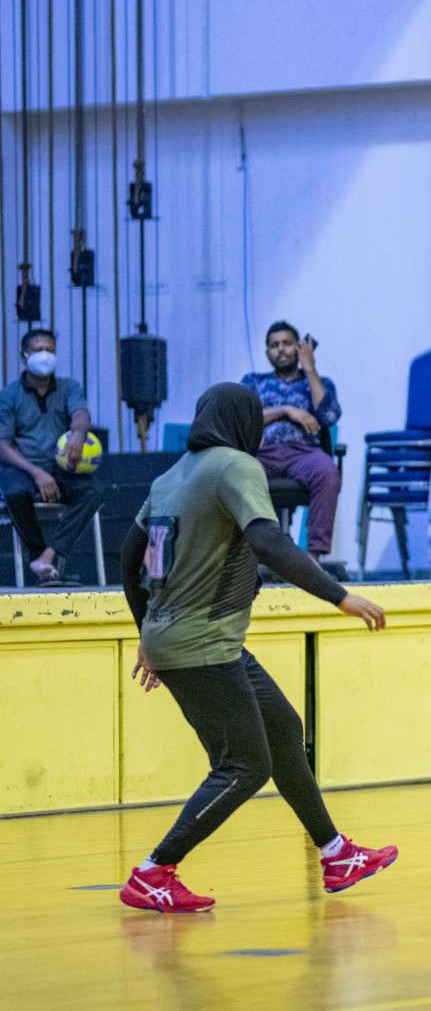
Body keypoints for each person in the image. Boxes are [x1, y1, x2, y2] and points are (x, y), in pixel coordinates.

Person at [117, 383, 397, 912]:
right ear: (247, 422)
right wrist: (339, 596)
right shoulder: (236, 467)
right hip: (203, 646)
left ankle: (336, 853)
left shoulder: (170, 476)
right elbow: (270, 540)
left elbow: (130, 559)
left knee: (284, 729)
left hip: (194, 639)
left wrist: (147, 631)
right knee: (243, 766)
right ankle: (154, 871)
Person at [0, 327, 105, 585]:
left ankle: (50, 554)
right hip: (24, 468)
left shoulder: (69, 387)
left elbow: (80, 413)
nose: (44, 355)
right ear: (25, 356)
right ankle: (38, 559)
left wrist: (79, 433)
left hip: (61, 467)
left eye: (49, 350)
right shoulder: (10, 394)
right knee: (13, 491)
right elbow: (2, 444)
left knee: (93, 492)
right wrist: (37, 474)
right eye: (38, 350)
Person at [240, 321, 342, 561]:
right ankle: (245, 558)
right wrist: (285, 410)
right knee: (234, 474)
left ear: (298, 348)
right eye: (274, 345)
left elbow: (329, 415)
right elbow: (242, 417)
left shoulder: (320, 383)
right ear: (267, 352)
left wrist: (310, 369)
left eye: (287, 343)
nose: (281, 350)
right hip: (263, 453)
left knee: (327, 471)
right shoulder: (254, 381)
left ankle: (312, 559)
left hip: (304, 453)